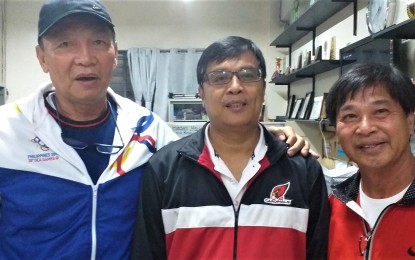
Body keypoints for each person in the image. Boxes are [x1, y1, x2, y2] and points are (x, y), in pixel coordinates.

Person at [0, 1, 313, 259]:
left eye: (98, 42)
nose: (85, 58)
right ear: (42, 57)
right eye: (65, 44)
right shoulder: (7, 132)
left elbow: (211, 150)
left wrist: (272, 140)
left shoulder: (145, 129)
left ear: (113, 52)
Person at [131, 36, 329, 260]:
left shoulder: (303, 169)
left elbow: (318, 252)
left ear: (263, 89)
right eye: (219, 77)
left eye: (248, 75)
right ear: (201, 94)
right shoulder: (164, 169)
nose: (235, 87)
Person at [325, 62, 415, 259]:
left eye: (381, 112)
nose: (365, 128)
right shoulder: (330, 209)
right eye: (350, 116)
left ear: (410, 121)